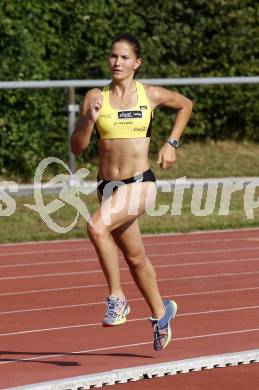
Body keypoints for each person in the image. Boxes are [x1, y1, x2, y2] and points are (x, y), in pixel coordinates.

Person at [71, 33, 192, 351]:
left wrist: (171, 143)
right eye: (113, 56)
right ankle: (161, 313)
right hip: (107, 187)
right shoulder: (95, 96)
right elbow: (77, 147)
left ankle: (117, 298)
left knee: (96, 227)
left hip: (141, 182)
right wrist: (89, 118)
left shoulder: (149, 94)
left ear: (136, 63)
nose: (117, 62)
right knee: (136, 257)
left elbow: (185, 105)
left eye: (124, 58)